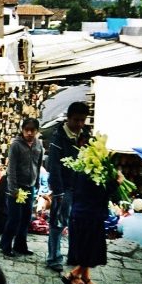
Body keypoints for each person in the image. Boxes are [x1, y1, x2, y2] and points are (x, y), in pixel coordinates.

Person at [61, 169, 124, 284]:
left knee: (86, 248)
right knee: (92, 248)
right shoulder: (93, 169)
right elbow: (98, 193)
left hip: (80, 212)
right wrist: (116, 182)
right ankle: (72, 275)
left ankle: (85, 278)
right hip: (90, 215)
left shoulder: (81, 167)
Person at [45, 101, 90, 272]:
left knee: (75, 224)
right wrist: (58, 192)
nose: (79, 124)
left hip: (79, 188)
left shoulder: (85, 135)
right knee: (57, 224)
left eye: (82, 120)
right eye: (76, 120)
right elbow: (54, 167)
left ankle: (73, 255)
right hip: (63, 189)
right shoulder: (58, 138)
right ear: (69, 119)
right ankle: (53, 258)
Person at [0, 118, 44, 257]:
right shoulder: (16, 145)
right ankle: (5, 245)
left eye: (32, 130)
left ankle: (20, 245)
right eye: (27, 130)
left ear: (37, 131)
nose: (29, 133)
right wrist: (13, 189)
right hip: (17, 187)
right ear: (22, 130)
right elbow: (11, 169)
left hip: (29, 187)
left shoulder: (39, 144)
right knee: (15, 217)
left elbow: (39, 163)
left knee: (26, 218)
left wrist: (36, 184)